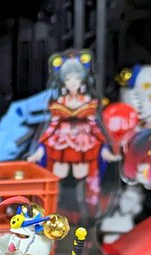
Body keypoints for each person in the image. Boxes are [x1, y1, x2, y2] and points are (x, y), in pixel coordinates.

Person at [28, 50, 118, 207]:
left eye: (76, 78)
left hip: (84, 141)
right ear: (63, 82)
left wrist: (104, 147)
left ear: (82, 80)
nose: (73, 83)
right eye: (68, 79)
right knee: (58, 172)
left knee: (82, 173)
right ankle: (52, 203)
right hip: (61, 141)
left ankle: (87, 204)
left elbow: (95, 126)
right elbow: (51, 126)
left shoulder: (88, 101)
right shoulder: (59, 102)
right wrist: (40, 149)